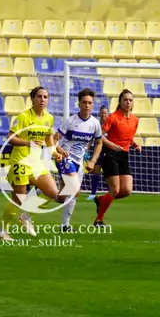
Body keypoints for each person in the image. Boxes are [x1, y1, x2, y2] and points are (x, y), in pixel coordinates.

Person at [0, 86, 63, 241]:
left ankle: (25, 217)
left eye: (45, 97)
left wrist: (54, 152)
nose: (42, 100)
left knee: (53, 193)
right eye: (39, 96)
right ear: (32, 99)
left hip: (36, 163)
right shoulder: (23, 117)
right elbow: (10, 138)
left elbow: (48, 137)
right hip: (20, 161)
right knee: (19, 198)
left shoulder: (49, 118)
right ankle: (1, 231)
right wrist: (27, 143)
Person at [52, 90, 118, 232]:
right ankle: (65, 226)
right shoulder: (70, 121)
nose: (87, 105)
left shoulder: (95, 123)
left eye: (89, 103)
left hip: (79, 161)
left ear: (92, 105)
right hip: (65, 158)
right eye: (84, 102)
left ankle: (43, 190)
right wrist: (59, 151)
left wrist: (93, 160)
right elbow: (54, 139)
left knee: (66, 195)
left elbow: (99, 143)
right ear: (79, 104)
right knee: (74, 188)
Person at [93, 90, 141, 227]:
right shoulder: (113, 117)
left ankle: (101, 199)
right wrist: (111, 145)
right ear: (120, 102)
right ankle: (98, 220)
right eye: (125, 100)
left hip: (124, 155)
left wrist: (135, 144)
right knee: (114, 190)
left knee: (126, 190)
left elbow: (128, 137)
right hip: (111, 154)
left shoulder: (135, 120)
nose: (128, 102)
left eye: (130, 100)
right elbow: (98, 135)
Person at [86, 104, 110, 201]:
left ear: (108, 114)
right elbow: (91, 139)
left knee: (110, 173)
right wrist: (87, 150)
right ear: (99, 114)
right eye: (102, 113)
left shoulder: (110, 125)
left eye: (105, 113)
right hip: (98, 151)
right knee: (96, 171)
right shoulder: (96, 125)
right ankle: (93, 193)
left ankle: (111, 193)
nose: (103, 115)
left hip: (109, 151)